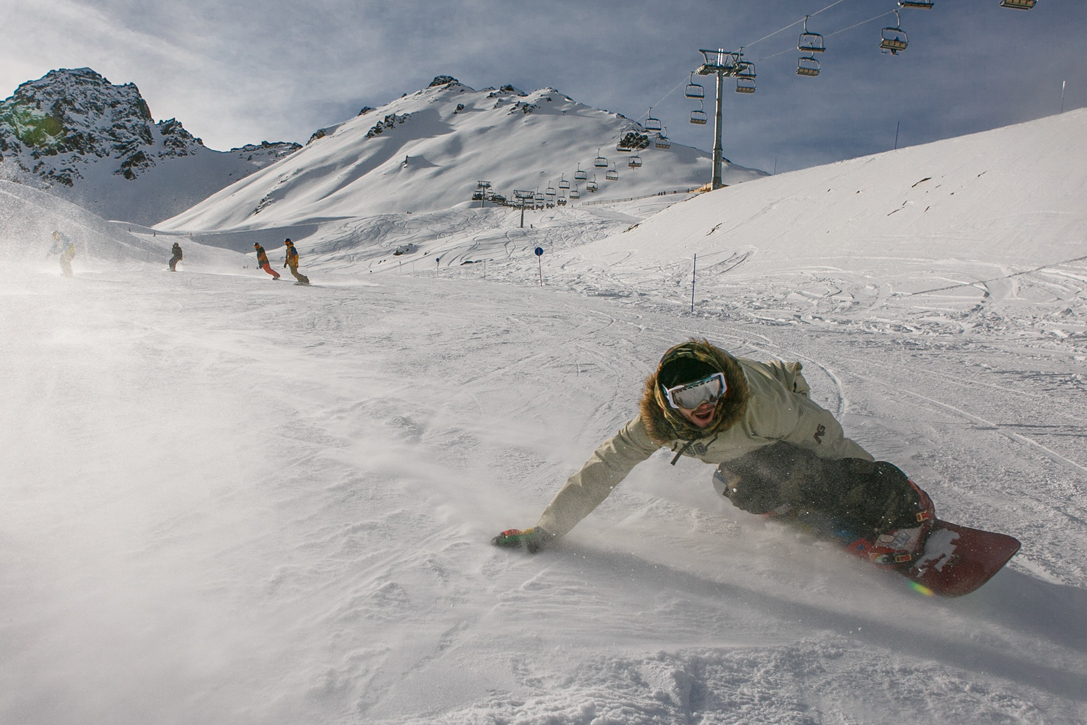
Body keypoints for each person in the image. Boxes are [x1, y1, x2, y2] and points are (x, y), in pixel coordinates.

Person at [493, 338, 935, 568]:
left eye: (710, 389)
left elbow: (828, 439)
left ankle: (904, 503)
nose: (703, 405)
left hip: (787, 421)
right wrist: (548, 530)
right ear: (668, 402)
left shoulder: (762, 405)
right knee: (739, 487)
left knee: (813, 473)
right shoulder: (656, 426)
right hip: (744, 450)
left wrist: (867, 482)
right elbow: (603, 468)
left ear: (723, 385)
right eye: (688, 398)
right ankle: (797, 502)